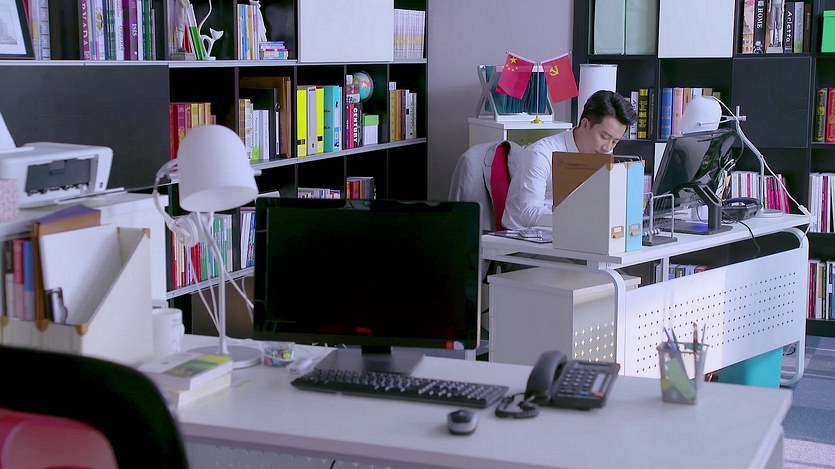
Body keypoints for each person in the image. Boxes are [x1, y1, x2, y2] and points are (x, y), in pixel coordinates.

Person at [502, 90, 638, 230]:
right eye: (604, 137)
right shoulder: (541, 154)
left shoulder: (603, 152)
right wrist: (578, 220)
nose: (607, 147)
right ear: (585, 124)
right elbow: (528, 214)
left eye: (615, 141)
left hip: (574, 232)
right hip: (523, 236)